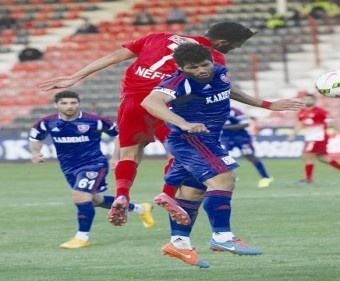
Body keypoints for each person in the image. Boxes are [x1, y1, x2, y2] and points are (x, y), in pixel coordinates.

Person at [38, 22, 305, 227]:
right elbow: (225, 88)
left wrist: (75, 76)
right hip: (166, 105)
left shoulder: (158, 37)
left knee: (129, 153)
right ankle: (167, 194)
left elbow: (115, 56)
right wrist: (266, 104)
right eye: (234, 46)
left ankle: (122, 195)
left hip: (132, 100)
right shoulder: (212, 59)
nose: (233, 50)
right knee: (179, 151)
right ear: (223, 42)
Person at [142, 43, 268, 268]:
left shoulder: (219, 71)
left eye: (204, 64)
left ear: (212, 61)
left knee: (194, 191)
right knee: (225, 178)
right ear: (181, 68)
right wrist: (184, 123)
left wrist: (266, 104)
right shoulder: (179, 82)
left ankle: (178, 243)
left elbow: (229, 89)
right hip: (191, 139)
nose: (201, 70)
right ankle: (222, 237)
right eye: (193, 67)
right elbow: (150, 101)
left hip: (207, 138)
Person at [29, 91, 154, 249]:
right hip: (68, 167)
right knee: (96, 200)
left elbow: (118, 134)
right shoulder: (46, 123)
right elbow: (35, 138)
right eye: (64, 103)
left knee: (80, 195)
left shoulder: (95, 121)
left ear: (79, 103)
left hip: (93, 164)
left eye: (73, 103)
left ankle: (82, 237)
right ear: (56, 105)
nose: (69, 106)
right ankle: (140, 208)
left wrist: (115, 156)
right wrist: (35, 153)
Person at [288, 93, 340, 184]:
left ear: (314, 101)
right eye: (305, 99)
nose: (307, 101)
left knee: (307, 156)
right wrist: (293, 134)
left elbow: (332, 123)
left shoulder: (321, 111)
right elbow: (300, 124)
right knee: (322, 158)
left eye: (310, 99)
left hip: (319, 137)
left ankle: (308, 179)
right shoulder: (301, 112)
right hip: (310, 137)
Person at [221, 107, 273, 188]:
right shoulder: (213, 109)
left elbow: (246, 124)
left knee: (250, 156)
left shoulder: (235, 111)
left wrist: (224, 127)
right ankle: (231, 175)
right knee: (222, 156)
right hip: (225, 137)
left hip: (240, 137)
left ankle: (266, 177)